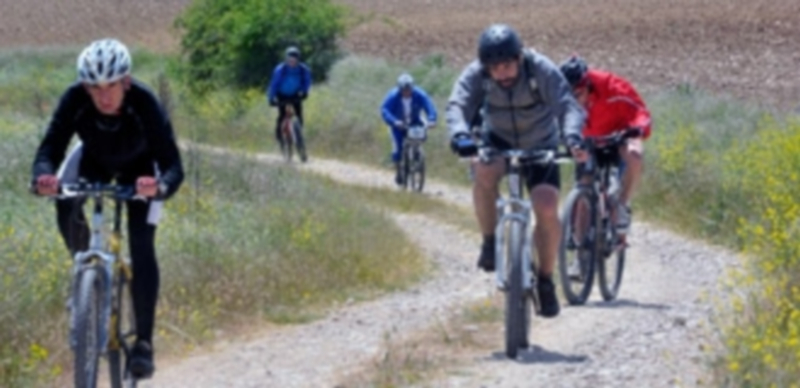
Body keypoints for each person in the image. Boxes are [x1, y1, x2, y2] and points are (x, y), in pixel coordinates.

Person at [31, 38, 184, 379]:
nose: (103, 96)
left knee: (141, 245)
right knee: (63, 200)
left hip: (141, 171)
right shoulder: (75, 99)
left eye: (111, 86)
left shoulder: (144, 101)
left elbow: (172, 164)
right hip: (94, 161)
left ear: (125, 81)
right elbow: (50, 149)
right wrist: (43, 177)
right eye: (94, 88)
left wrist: (159, 186)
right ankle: (87, 277)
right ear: (85, 87)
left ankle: (143, 344)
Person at [447, 24, 587, 318]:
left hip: (541, 143)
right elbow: (458, 103)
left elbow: (567, 105)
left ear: (520, 57)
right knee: (483, 171)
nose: (502, 74)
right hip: (497, 141)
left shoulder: (540, 69)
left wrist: (573, 137)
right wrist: (459, 133)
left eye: (508, 65)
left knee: (546, 206)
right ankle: (489, 241)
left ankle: (546, 279)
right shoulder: (477, 73)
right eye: (495, 68)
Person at [560, 55, 651, 235]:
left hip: (617, 136)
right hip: (586, 139)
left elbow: (640, 111)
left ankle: (622, 204)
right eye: (569, 97)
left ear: (588, 85)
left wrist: (638, 129)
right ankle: (579, 246)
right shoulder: (559, 94)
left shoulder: (611, 86)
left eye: (578, 95)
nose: (575, 102)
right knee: (585, 185)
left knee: (635, 156)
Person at [380, 73, 438, 185]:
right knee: (398, 147)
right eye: (404, 90)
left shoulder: (420, 94)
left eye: (409, 89)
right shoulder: (393, 96)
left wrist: (432, 119)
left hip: (414, 121)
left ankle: (417, 156)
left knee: (421, 136)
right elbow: (385, 110)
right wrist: (393, 121)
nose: (407, 92)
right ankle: (399, 169)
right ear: (399, 89)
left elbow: (429, 107)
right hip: (398, 124)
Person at [267, 46, 312, 162]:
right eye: (290, 59)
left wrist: (305, 92)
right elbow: (274, 84)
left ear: (298, 59)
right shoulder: (280, 69)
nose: (292, 61)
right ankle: (281, 138)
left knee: (299, 116)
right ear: (286, 59)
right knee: (282, 116)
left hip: (295, 94)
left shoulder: (303, 69)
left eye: (294, 59)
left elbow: (307, 81)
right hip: (281, 95)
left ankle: (299, 138)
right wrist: (271, 98)